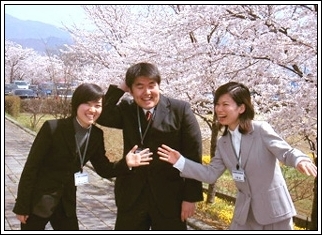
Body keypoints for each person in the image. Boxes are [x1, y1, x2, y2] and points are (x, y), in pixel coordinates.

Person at [158, 81, 317, 230]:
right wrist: (180, 162)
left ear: (241, 108)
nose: (219, 109)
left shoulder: (261, 130)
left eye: (225, 104)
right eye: (217, 104)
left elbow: (286, 152)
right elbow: (210, 174)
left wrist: (300, 159)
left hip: (274, 212)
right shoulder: (223, 143)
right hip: (244, 214)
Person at [13, 83, 152, 230]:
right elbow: (31, 168)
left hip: (66, 204)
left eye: (97, 105)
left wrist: (127, 163)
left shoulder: (96, 135)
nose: (92, 110)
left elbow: (104, 169)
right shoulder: (53, 128)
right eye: (87, 104)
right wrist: (22, 206)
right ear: (76, 104)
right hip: (38, 202)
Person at [96, 62, 203, 230]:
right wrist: (121, 87)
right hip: (132, 197)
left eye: (151, 85)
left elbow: (193, 154)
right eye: (139, 86)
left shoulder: (180, 110)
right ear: (131, 90)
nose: (147, 92)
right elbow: (101, 115)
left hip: (169, 198)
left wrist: (190, 198)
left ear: (159, 86)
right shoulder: (127, 109)